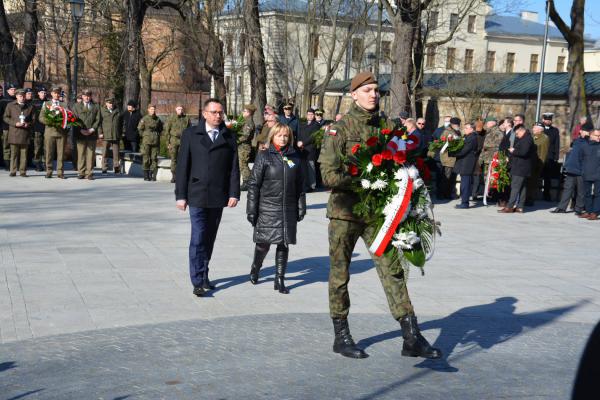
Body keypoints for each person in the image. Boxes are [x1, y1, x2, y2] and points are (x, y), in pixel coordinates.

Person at [318, 71, 441, 360]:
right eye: (368, 90)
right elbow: (328, 174)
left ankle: (411, 336)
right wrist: (366, 178)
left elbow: (404, 158)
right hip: (345, 213)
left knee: (392, 270)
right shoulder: (340, 130)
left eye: (376, 90)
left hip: (378, 216)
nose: (374, 94)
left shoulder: (388, 126)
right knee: (340, 274)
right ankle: (341, 335)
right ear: (354, 94)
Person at [175, 98, 240, 297]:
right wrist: (181, 195)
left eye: (220, 112)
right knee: (198, 238)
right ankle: (197, 280)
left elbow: (233, 168)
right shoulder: (191, 134)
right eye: (213, 112)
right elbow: (183, 166)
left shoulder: (229, 137)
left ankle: (204, 275)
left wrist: (234, 193)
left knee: (209, 238)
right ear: (204, 114)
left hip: (218, 195)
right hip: (196, 193)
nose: (218, 116)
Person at [246, 123, 306, 294]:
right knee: (263, 244)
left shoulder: (295, 157)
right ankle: (256, 267)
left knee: (283, 243)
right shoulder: (264, 156)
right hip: (267, 207)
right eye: (279, 135)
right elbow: (254, 185)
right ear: (272, 136)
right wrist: (251, 209)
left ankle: (279, 279)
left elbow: (300, 186)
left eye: (286, 135)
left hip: (287, 208)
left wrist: (301, 206)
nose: (283, 138)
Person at [551, 123, 590, 215]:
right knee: (567, 189)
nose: (587, 133)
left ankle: (579, 209)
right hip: (571, 169)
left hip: (581, 170)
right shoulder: (576, 141)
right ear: (581, 131)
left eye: (588, 132)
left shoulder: (589, 143)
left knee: (581, 191)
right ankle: (561, 208)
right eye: (586, 131)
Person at [498, 124, 535, 213]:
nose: (517, 135)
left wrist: (513, 151)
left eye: (517, 133)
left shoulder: (527, 139)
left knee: (515, 187)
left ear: (522, 130)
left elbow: (523, 152)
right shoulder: (524, 138)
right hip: (521, 166)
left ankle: (510, 206)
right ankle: (520, 207)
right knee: (522, 187)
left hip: (520, 167)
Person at [3, 89, 34, 177]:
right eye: (20, 96)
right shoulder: (10, 105)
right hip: (14, 132)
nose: (22, 98)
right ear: (16, 96)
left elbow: (34, 120)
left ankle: (23, 171)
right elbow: (5, 117)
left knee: (24, 154)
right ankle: (13, 170)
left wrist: (28, 124)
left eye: (23, 96)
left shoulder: (30, 106)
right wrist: (14, 123)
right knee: (14, 153)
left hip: (25, 132)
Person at [72, 89, 101, 180]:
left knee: (90, 154)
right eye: (85, 96)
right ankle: (81, 172)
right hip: (80, 133)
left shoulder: (96, 106)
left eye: (88, 96)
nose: (87, 97)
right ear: (82, 96)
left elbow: (98, 119)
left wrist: (92, 129)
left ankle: (90, 173)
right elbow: (74, 119)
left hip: (91, 134)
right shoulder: (76, 106)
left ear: (90, 96)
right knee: (81, 154)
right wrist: (80, 130)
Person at [40, 86, 68, 179]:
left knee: (61, 153)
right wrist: (49, 121)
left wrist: (63, 121)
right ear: (51, 94)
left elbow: (68, 117)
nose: (56, 95)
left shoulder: (64, 104)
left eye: (58, 93)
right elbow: (41, 117)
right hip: (49, 131)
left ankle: (60, 172)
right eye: (55, 93)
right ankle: (49, 171)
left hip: (61, 132)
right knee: (49, 152)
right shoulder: (46, 103)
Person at [450, 121, 478, 209]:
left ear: (471, 129)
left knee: (465, 184)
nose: (464, 129)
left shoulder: (472, 138)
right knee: (463, 184)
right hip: (464, 163)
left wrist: (452, 153)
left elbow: (464, 151)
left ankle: (465, 203)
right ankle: (463, 201)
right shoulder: (467, 137)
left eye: (466, 128)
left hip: (467, 164)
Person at [165, 104, 191, 183]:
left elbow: (190, 130)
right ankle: (174, 176)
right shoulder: (171, 118)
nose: (180, 110)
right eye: (178, 109)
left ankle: (181, 175)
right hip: (174, 140)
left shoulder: (186, 118)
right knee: (174, 159)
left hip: (183, 141)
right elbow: (167, 131)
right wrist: (168, 143)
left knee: (182, 159)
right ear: (175, 109)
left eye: (181, 109)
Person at [526, 122, 549, 205]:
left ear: (540, 129)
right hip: (530, 163)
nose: (533, 129)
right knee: (528, 182)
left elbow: (543, 153)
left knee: (532, 182)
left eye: (535, 128)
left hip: (537, 164)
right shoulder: (533, 137)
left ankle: (530, 199)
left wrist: (539, 166)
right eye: (533, 128)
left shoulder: (544, 138)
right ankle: (526, 198)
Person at [138, 104, 163, 181]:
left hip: (155, 141)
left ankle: (152, 173)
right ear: (148, 110)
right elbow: (140, 128)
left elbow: (160, 129)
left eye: (154, 109)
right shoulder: (144, 119)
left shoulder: (158, 119)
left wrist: (156, 135)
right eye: (151, 109)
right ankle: (146, 174)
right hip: (146, 141)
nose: (153, 111)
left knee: (154, 158)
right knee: (146, 158)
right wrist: (145, 135)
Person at [579, 129, 600, 220]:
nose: (599, 137)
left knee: (597, 194)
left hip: (598, 174)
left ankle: (595, 212)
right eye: (597, 135)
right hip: (586, 173)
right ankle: (588, 211)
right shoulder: (584, 146)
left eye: (599, 136)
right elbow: (580, 159)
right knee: (586, 193)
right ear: (591, 136)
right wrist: (582, 170)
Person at [298, 108, 321, 192]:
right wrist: (299, 142)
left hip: (310, 149)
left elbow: (313, 137)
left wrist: (303, 143)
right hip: (302, 149)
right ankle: (305, 184)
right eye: (308, 114)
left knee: (311, 167)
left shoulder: (316, 125)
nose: (310, 116)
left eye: (311, 114)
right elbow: (299, 134)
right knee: (304, 168)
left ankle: (312, 185)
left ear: (314, 116)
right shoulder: (303, 124)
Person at [438, 117, 461, 199]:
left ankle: (448, 193)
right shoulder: (447, 132)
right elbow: (442, 144)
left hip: (454, 158)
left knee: (451, 177)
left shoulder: (457, 132)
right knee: (446, 177)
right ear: (452, 124)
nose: (458, 126)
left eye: (458, 124)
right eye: (456, 124)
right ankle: (442, 194)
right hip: (448, 158)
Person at [99, 98, 123, 174]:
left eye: (112, 103)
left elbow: (121, 123)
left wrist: (121, 133)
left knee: (116, 153)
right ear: (106, 103)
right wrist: (100, 132)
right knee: (105, 152)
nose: (111, 105)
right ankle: (104, 168)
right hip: (106, 134)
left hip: (115, 134)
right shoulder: (102, 111)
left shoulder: (118, 111)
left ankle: (116, 167)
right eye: (109, 103)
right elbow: (99, 123)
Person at [541, 112, 560, 201]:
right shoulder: (539, 129)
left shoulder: (555, 130)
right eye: (547, 120)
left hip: (549, 156)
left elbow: (557, 144)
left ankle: (546, 194)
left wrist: (556, 156)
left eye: (550, 120)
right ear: (543, 120)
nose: (548, 121)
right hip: (540, 156)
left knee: (548, 177)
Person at [238, 104, 256, 190]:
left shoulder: (249, 122)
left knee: (243, 164)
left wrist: (236, 140)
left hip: (244, 147)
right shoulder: (245, 121)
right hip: (241, 146)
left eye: (244, 111)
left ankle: (248, 182)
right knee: (241, 164)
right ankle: (248, 181)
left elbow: (245, 136)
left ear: (249, 112)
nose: (243, 112)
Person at [1, 83, 17, 169]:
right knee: (6, 145)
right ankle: (7, 163)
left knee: (14, 145)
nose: (13, 91)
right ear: (7, 91)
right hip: (6, 127)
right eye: (11, 90)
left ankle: (14, 162)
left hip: (15, 127)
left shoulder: (17, 100)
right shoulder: (3, 101)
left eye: (14, 89)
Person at [31, 87, 47, 172]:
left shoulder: (48, 102)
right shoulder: (34, 102)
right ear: (38, 93)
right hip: (37, 128)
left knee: (46, 147)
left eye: (44, 93)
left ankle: (45, 163)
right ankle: (37, 163)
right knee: (37, 147)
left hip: (47, 128)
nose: (43, 94)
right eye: (41, 92)